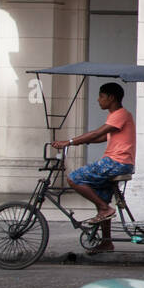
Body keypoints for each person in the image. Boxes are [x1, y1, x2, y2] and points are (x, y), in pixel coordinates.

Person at [51, 82, 136, 254]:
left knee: (73, 178)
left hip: (116, 162)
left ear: (111, 98)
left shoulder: (120, 114)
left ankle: (105, 209)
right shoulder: (117, 116)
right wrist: (82, 141)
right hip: (119, 163)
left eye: (101, 96)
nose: (98, 100)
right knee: (102, 199)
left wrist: (69, 142)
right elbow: (103, 137)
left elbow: (97, 133)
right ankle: (106, 242)